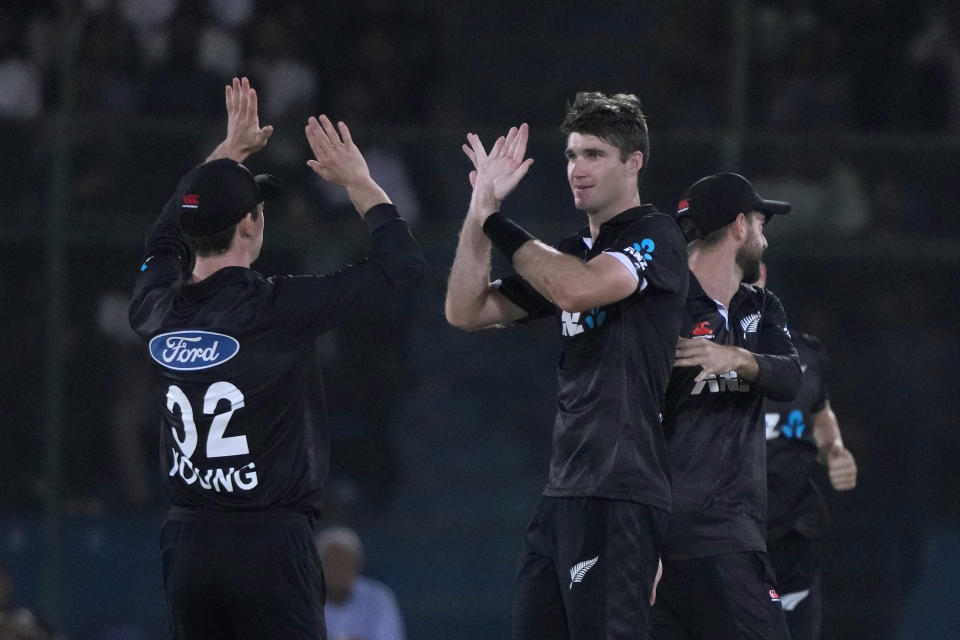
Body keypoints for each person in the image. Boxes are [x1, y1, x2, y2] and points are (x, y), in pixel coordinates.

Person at [128, 77, 425, 639]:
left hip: (187, 544)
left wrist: (223, 157)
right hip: (267, 543)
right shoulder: (278, 307)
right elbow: (400, 266)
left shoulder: (154, 307)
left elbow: (164, 237)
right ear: (251, 224)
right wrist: (360, 183)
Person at [445, 92, 689, 639]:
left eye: (595, 155)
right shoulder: (568, 250)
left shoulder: (658, 236)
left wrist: (497, 222)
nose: (578, 170)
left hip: (620, 492)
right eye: (572, 155)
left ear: (634, 162)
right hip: (563, 494)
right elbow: (466, 309)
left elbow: (579, 290)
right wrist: (476, 211)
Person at [651, 173, 801, 640]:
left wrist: (735, 359)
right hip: (689, 538)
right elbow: (633, 425)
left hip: (731, 534)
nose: (765, 238)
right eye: (761, 223)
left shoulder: (761, 306)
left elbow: (789, 377)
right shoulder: (661, 310)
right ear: (739, 225)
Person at [753, 263, 857, 640]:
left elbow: (820, 412)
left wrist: (834, 450)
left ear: (764, 276)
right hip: (718, 542)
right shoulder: (692, 354)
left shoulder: (807, 356)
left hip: (790, 540)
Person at [316, 526, 405, 640]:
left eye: (344, 563)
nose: (338, 570)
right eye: (331, 563)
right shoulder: (305, 600)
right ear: (318, 566)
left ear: (357, 565)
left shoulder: (378, 597)